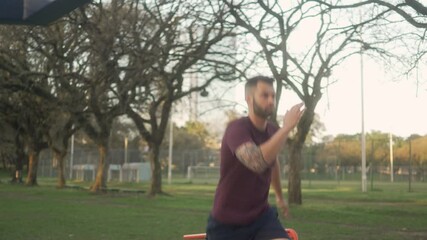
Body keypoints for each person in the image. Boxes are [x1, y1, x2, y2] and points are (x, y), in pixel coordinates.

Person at [206, 76, 304, 240]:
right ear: (249, 99)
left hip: (261, 218)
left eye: (273, 96)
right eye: (265, 95)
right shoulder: (236, 129)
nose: (271, 100)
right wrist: (287, 128)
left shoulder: (273, 131)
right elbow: (257, 162)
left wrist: (279, 197)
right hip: (226, 222)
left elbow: (272, 163)